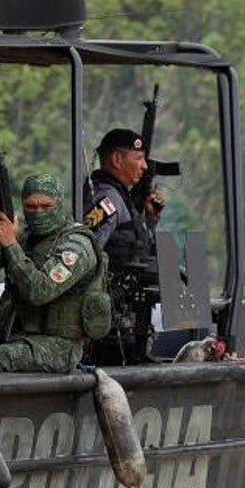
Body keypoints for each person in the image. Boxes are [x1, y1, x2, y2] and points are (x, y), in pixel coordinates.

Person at [0, 174, 104, 373]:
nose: (38, 213)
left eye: (46, 206)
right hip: (22, 336)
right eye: (31, 207)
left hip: (60, 347)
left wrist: (11, 244)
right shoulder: (27, 239)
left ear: (60, 205)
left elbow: (40, 291)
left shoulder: (76, 245)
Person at [85, 128, 162, 364]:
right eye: (138, 158)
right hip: (109, 328)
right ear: (117, 159)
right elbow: (86, 250)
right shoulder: (106, 200)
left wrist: (149, 220)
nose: (144, 166)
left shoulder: (122, 198)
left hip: (127, 322)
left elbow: (131, 245)